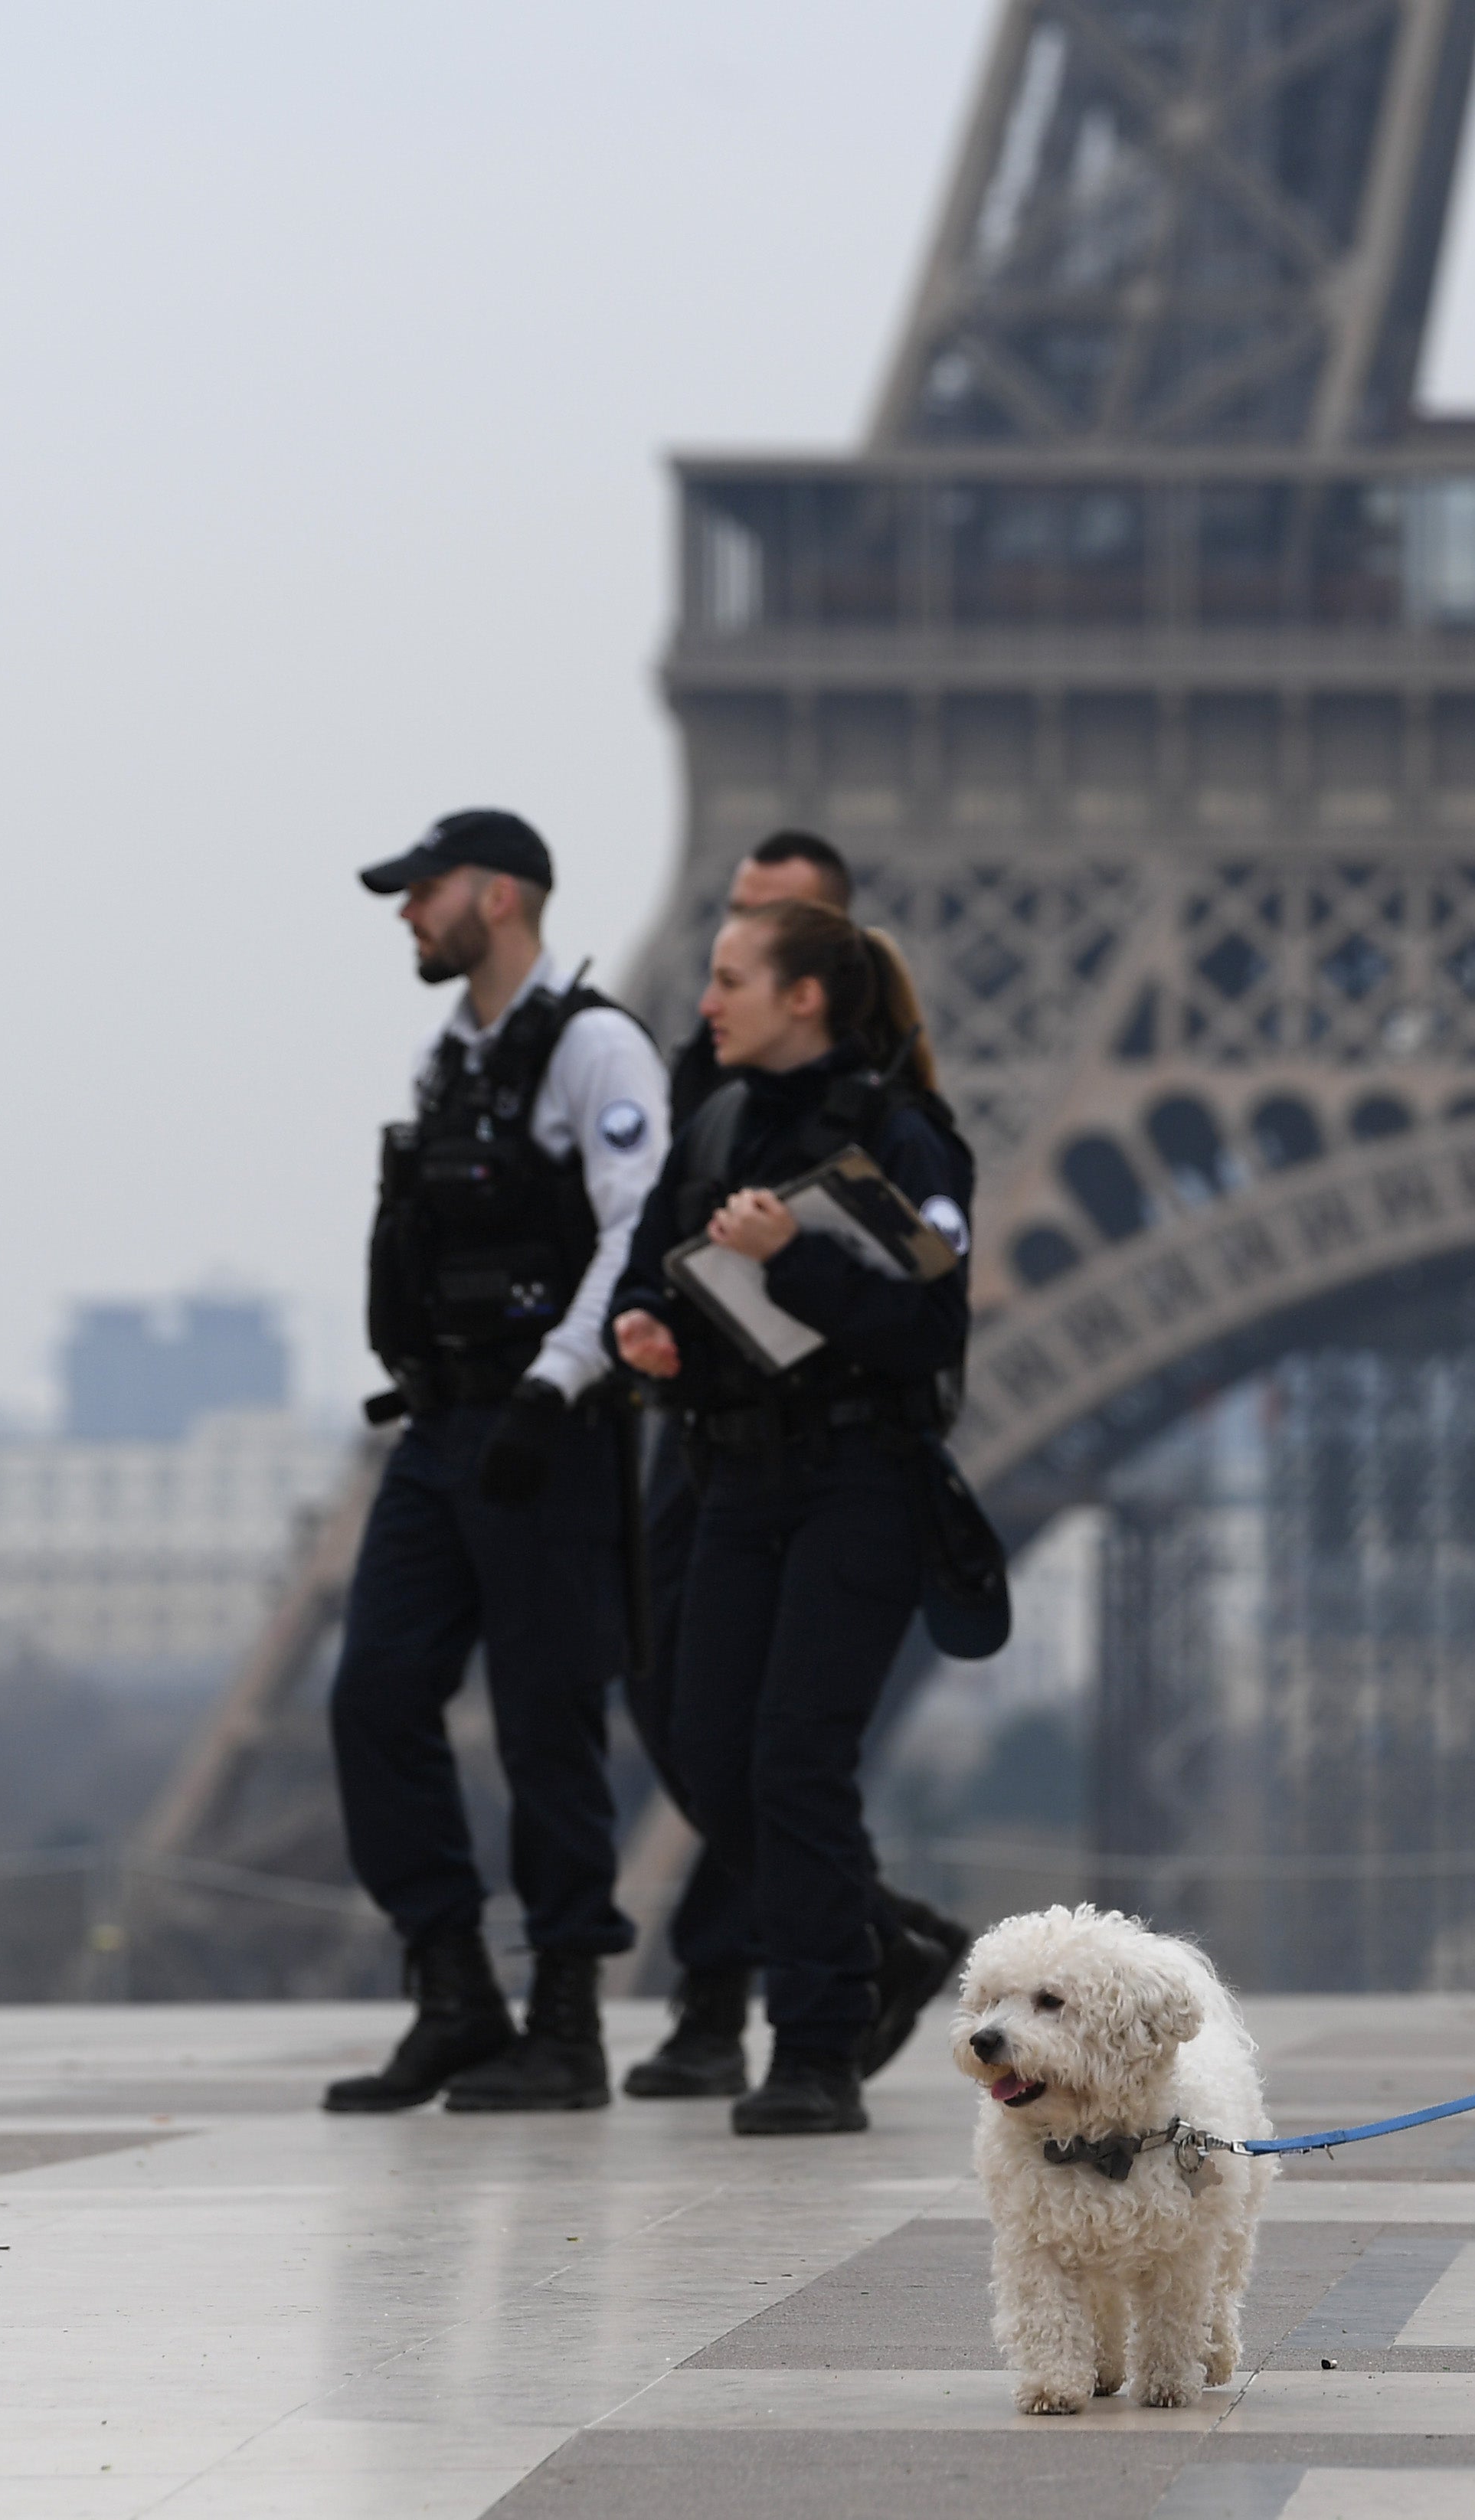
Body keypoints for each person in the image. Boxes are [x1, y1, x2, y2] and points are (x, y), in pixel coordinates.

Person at [609, 900, 978, 2136]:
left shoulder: (904, 1136)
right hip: (735, 1478)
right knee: (709, 1753)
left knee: (794, 1760)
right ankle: (881, 1942)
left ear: (804, 996)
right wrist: (647, 1335)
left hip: (859, 1484)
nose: (706, 1003)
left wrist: (793, 1260)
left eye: (729, 982)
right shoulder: (713, 1120)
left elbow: (930, 1329)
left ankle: (816, 2042)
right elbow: (655, 1264)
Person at [324, 809, 667, 2113]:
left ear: (504, 895)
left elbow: (634, 1236)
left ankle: (567, 2021)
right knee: (374, 1693)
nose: (408, 912)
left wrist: (553, 1387)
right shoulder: (447, 1058)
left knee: (545, 1721)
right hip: (439, 1426)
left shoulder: (595, 1048)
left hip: (546, 1428)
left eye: (424, 889)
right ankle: (455, 1988)